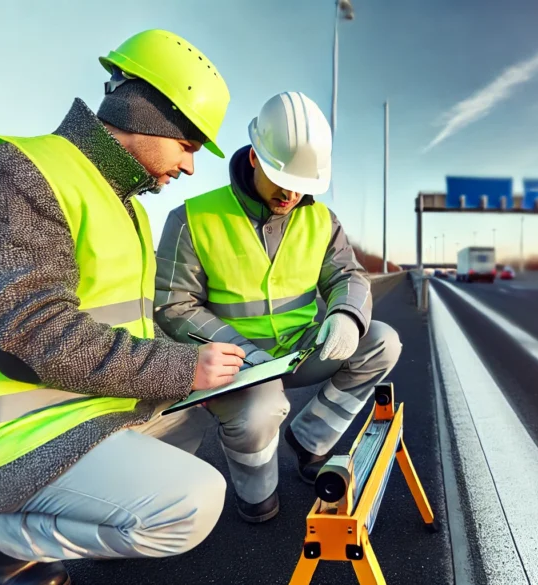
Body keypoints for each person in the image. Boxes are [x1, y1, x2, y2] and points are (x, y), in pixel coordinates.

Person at [0, 30, 244, 585]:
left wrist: (200, 370)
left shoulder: (126, 205)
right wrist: (184, 367)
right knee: (193, 502)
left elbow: (121, 321)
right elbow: (36, 335)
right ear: (151, 113)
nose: (190, 168)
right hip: (4, 441)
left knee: (216, 415)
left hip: (86, 408)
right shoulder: (12, 174)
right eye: (189, 146)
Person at [153, 91, 402, 523]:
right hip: (234, 362)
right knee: (259, 411)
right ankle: (257, 493)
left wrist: (346, 314)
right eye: (280, 178)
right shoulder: (192, 218)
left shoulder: (322, 220)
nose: (289, 193)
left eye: (301, 184)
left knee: (381, 341)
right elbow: (174, 306)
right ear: (253, 157)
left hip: (300, 349)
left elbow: (348, 275)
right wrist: (242, 351)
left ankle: (309, 441)